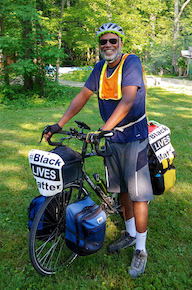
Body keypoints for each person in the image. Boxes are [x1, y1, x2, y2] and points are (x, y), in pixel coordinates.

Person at [44, 22, 153, 278]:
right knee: (121, 190)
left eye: (112, 41)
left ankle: (141, 249)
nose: (108, 46)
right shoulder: (100, 68)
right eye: (103, 42)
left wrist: (103, 129)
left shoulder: (131, 62)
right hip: (113, 137)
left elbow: (128, 100)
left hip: (134, 136)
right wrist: (59, 124)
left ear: (121, 43)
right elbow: (82, 95)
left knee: (138, 194)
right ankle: (129, 233)